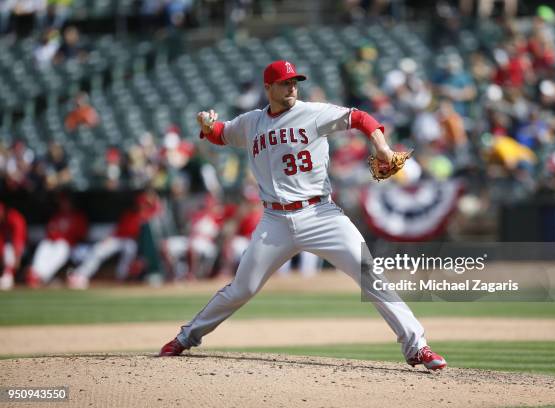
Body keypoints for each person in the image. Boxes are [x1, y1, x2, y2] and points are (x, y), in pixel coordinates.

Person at [159, 60, 447, 371]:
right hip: (274, 221)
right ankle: (186, 337)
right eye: (284, 82)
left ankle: (417, 347)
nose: (292, 86)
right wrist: (206, 124)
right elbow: (220, 134)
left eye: (295, 81)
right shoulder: (251, 123)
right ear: (268, 88)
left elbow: (360, 118)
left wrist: (383, 147)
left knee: (369, 273)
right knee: (242, 288)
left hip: (320, 214)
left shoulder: (313, 112)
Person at [25, 193, 88, 288]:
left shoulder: (78, 217)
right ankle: (35, 272)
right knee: (44, 244)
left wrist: (63, 235)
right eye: (62, 203)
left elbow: (81, 234)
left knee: (61, 248)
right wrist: (57, 235)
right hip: (54, 242)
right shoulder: (57, 216)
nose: (64, 205)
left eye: (66, 202)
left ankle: (42, 276)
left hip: (70, 245)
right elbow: (50, 230)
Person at [0, 202, 27, 290]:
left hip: (22, 247)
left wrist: (17, 257)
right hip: (7, 249)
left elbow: (18, 240)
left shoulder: (15, 218)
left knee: (9, 249)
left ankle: (8, 275)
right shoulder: (2, 222)